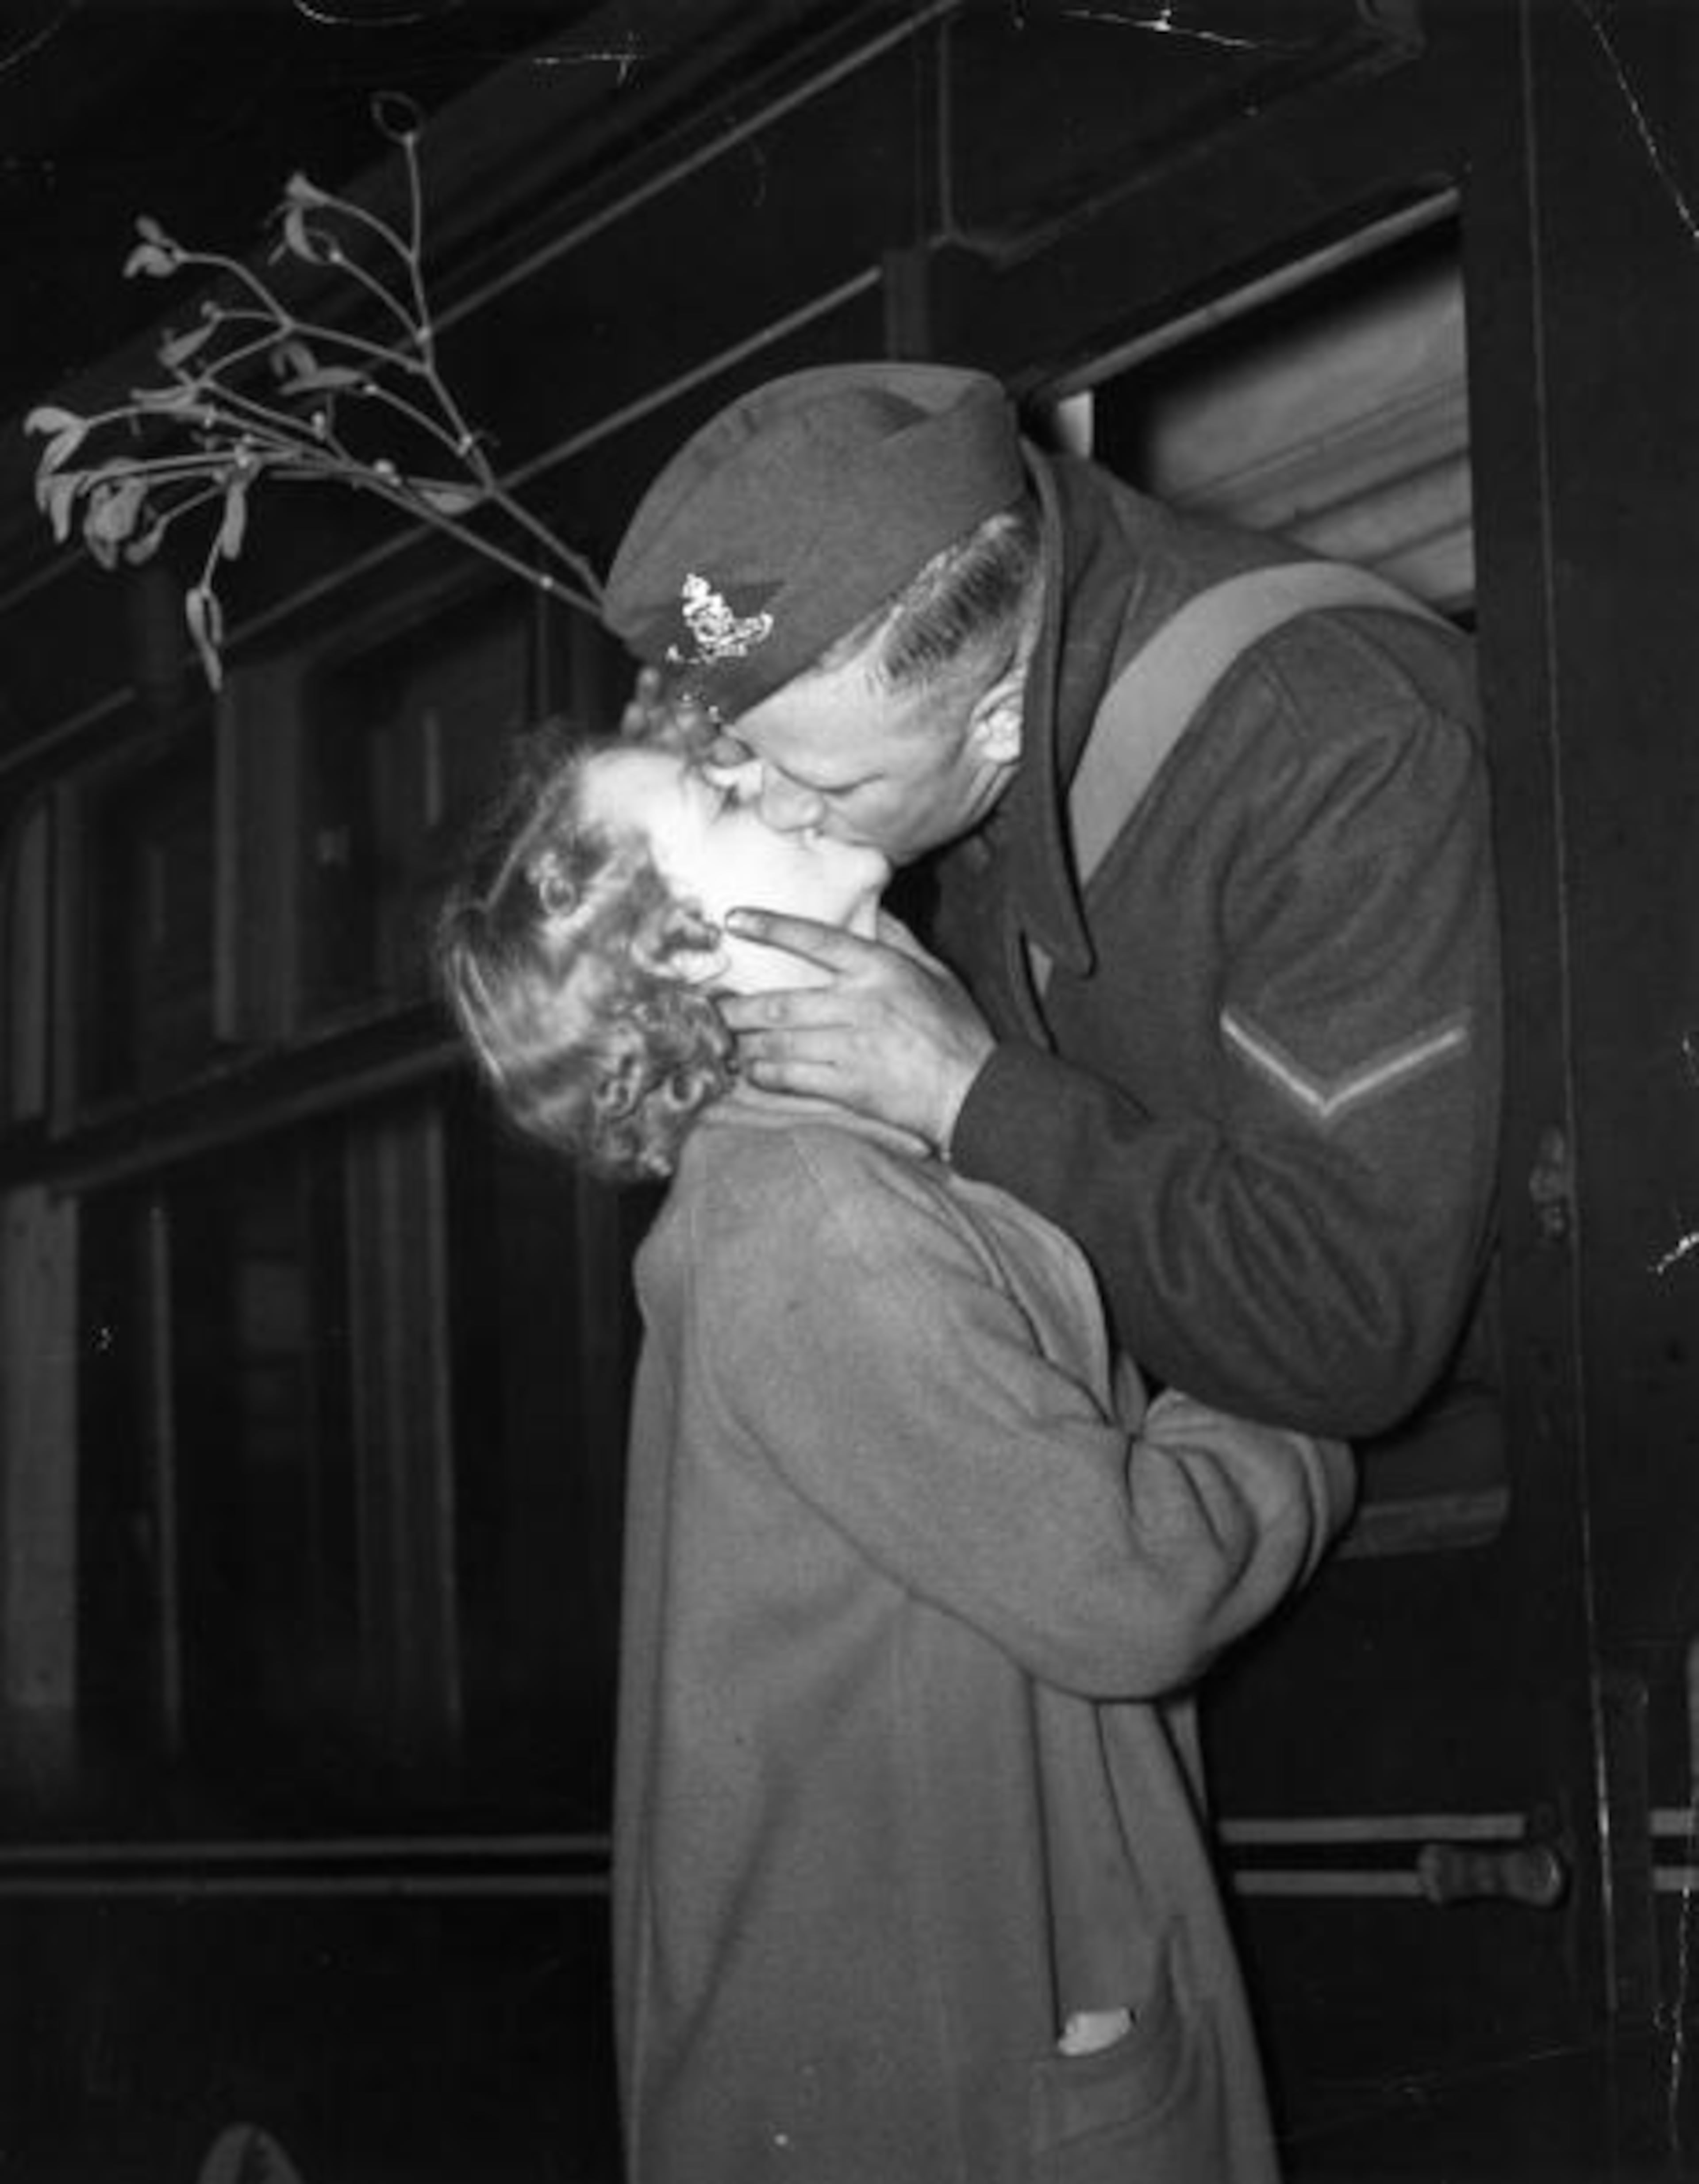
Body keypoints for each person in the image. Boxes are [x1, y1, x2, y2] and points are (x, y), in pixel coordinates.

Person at [435, 721, 1355, 2184]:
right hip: (962, 2088)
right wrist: (1307, 1398)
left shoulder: (833, 1168)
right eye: (722, 796)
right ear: (686, 971)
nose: (777, 770)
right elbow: (1135, 1584)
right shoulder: (811, 1214)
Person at [601, 361, 1503, 1443]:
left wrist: (965, 1092)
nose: (781, 808)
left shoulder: (1335, 759)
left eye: (832, 785)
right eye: (746, 757)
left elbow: (1350, 1330)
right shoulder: (951, 745)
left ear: (1000, 722)